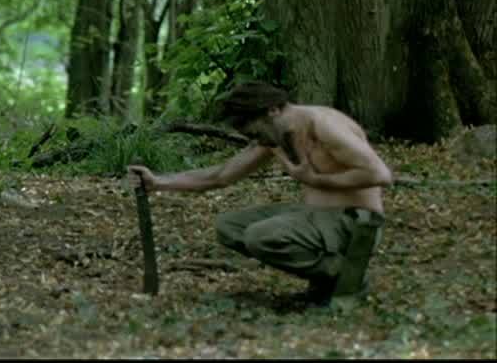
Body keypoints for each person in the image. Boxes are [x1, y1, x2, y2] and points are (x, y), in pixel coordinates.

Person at [127, 81, 393, 304]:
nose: (255, 140)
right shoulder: (276, 135)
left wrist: (315, 179)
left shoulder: (323, 126)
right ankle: (327, 281)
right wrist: (159, 182)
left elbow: (380, 175)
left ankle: (349, 277)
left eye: (254, 131)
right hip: (319, 219)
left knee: (260, 236)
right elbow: (221, 176)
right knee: (229, 227)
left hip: (356, 223)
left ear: (273, 111)